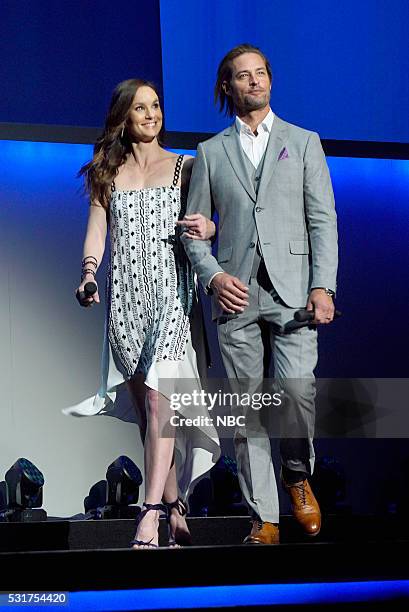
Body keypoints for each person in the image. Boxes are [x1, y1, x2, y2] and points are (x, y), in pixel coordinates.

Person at [181, 44, 338, 544]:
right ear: (227, 87)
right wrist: (212, 276)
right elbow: (192, 231)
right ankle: (264, 517)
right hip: (236, 293)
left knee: (297, 393)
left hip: (294, 291)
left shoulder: (304, 141)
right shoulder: (209, 152)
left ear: (270, 79)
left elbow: (322, 220)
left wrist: (323, 285)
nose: (254, 82)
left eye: (261, 73)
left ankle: (296, 474)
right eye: (242, 76)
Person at [65, 79, 220, 548]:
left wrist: (209, 225)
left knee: (159, 401)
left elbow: (216, 218)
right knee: (149, 413)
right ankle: (174, 508)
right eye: (140, 107)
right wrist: (89, 274)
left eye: (155, 106)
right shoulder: (107, 174)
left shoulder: (186, 168)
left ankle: (148, 513)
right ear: (123, 117)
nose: (151, 114)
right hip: (126, 300)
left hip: (174, 294)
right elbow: (97, 230)